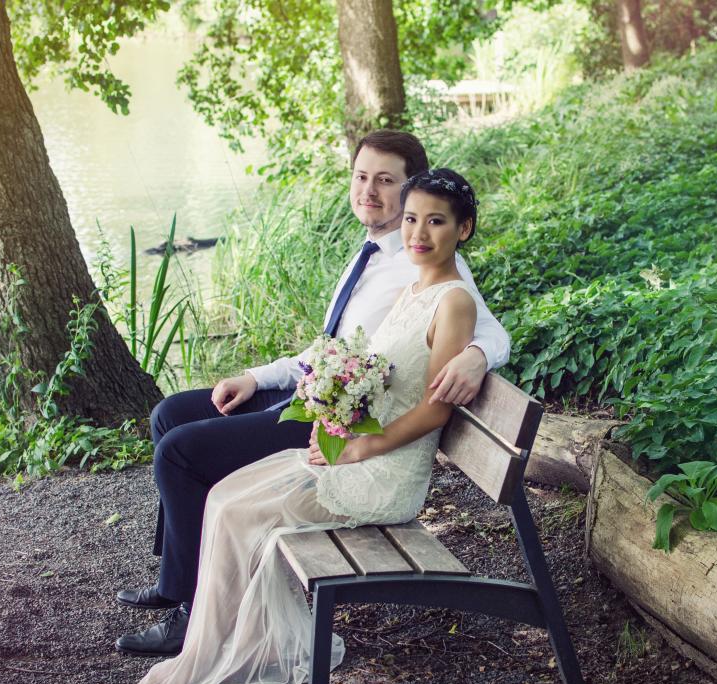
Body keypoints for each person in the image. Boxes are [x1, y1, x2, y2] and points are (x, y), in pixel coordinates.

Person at [115, 133, 510, 656]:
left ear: (412, 189)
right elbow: (328, 348)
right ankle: (177, 580)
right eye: (361, 176)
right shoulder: (374, 256)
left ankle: (192, 609)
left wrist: (478, 356)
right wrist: (258, 377)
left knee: (180, 453)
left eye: (385, 181)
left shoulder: (426, 264)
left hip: (342, 423)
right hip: (318, 395)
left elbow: (488, 328)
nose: (369, 191)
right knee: (170, 414)